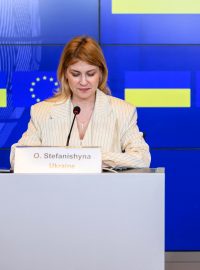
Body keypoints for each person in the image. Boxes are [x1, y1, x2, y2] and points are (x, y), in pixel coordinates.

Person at [10, 36, 151, 169]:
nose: (83, 82)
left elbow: (142, 157)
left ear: (101, 73)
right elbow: (18, 157)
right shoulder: (42, 112)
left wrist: (91, 158)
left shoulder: (123, 111)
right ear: (65, 74)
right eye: (75, 74)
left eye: (90, 74)